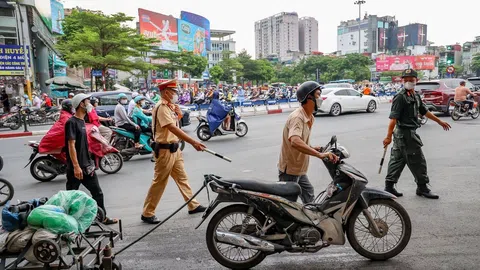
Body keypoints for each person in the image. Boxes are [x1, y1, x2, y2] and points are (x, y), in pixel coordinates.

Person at [141, 79, 207, 224]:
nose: (176, 94)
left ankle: (193, 205)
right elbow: (172, 128)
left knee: (182, 178)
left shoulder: (170, 107)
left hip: (174, 149)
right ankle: (147, 213)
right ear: (166, 92)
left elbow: (174, 125)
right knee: (159, 182)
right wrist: (193, 142)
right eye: (174, 91)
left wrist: (179, 115)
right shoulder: (162, 107)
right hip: (165, 151)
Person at [383, 69, 451, 199]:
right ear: (402, 81)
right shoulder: (400, 97)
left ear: (416, 81)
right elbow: (393, 119)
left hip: (404, 135)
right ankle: (422, 187)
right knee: (418, 160)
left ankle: (389, 186)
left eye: (411, 80)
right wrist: (388, 136)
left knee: (398, 160)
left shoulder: (416, 95)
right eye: (406, 80)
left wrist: (439, 121)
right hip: (405, 134)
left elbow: (424, 111)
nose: (408, 82)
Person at [278, 81, 338, 204]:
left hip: (299, 168)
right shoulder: (298, 117)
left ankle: (310, 222)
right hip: (290, 170)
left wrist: (313, 148)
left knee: (309, 195)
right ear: (308, 97)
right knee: (288, 204)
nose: (320, 98)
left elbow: (301, 140)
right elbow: (295, 141)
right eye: (317, 95)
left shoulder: (309, 116)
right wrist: (319, 155)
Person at [65, 94, 117, 225]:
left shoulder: (82, 121)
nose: (90, 103)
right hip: (76, 168)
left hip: (87, 165)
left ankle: (102, 217)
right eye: (87, 101)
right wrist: (76, 166)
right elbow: (71, 145)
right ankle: (65, 222)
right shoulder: (71, 122)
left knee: (98, 193)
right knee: (70, 197)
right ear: (81, 104)